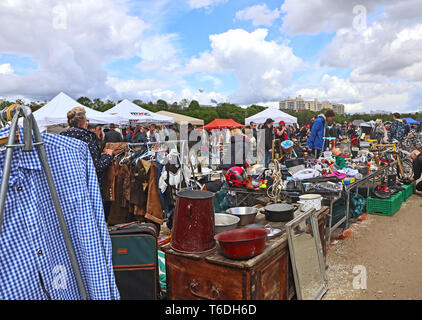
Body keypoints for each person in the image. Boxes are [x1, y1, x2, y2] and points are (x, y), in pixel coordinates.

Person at [60, 107, 114, 182]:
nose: (87, 123)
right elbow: (97, 167)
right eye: (86, 121)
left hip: (66, 182)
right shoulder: (85, 138)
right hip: (86, 185)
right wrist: (107, 155)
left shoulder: (61, 138)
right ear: (81, 123)